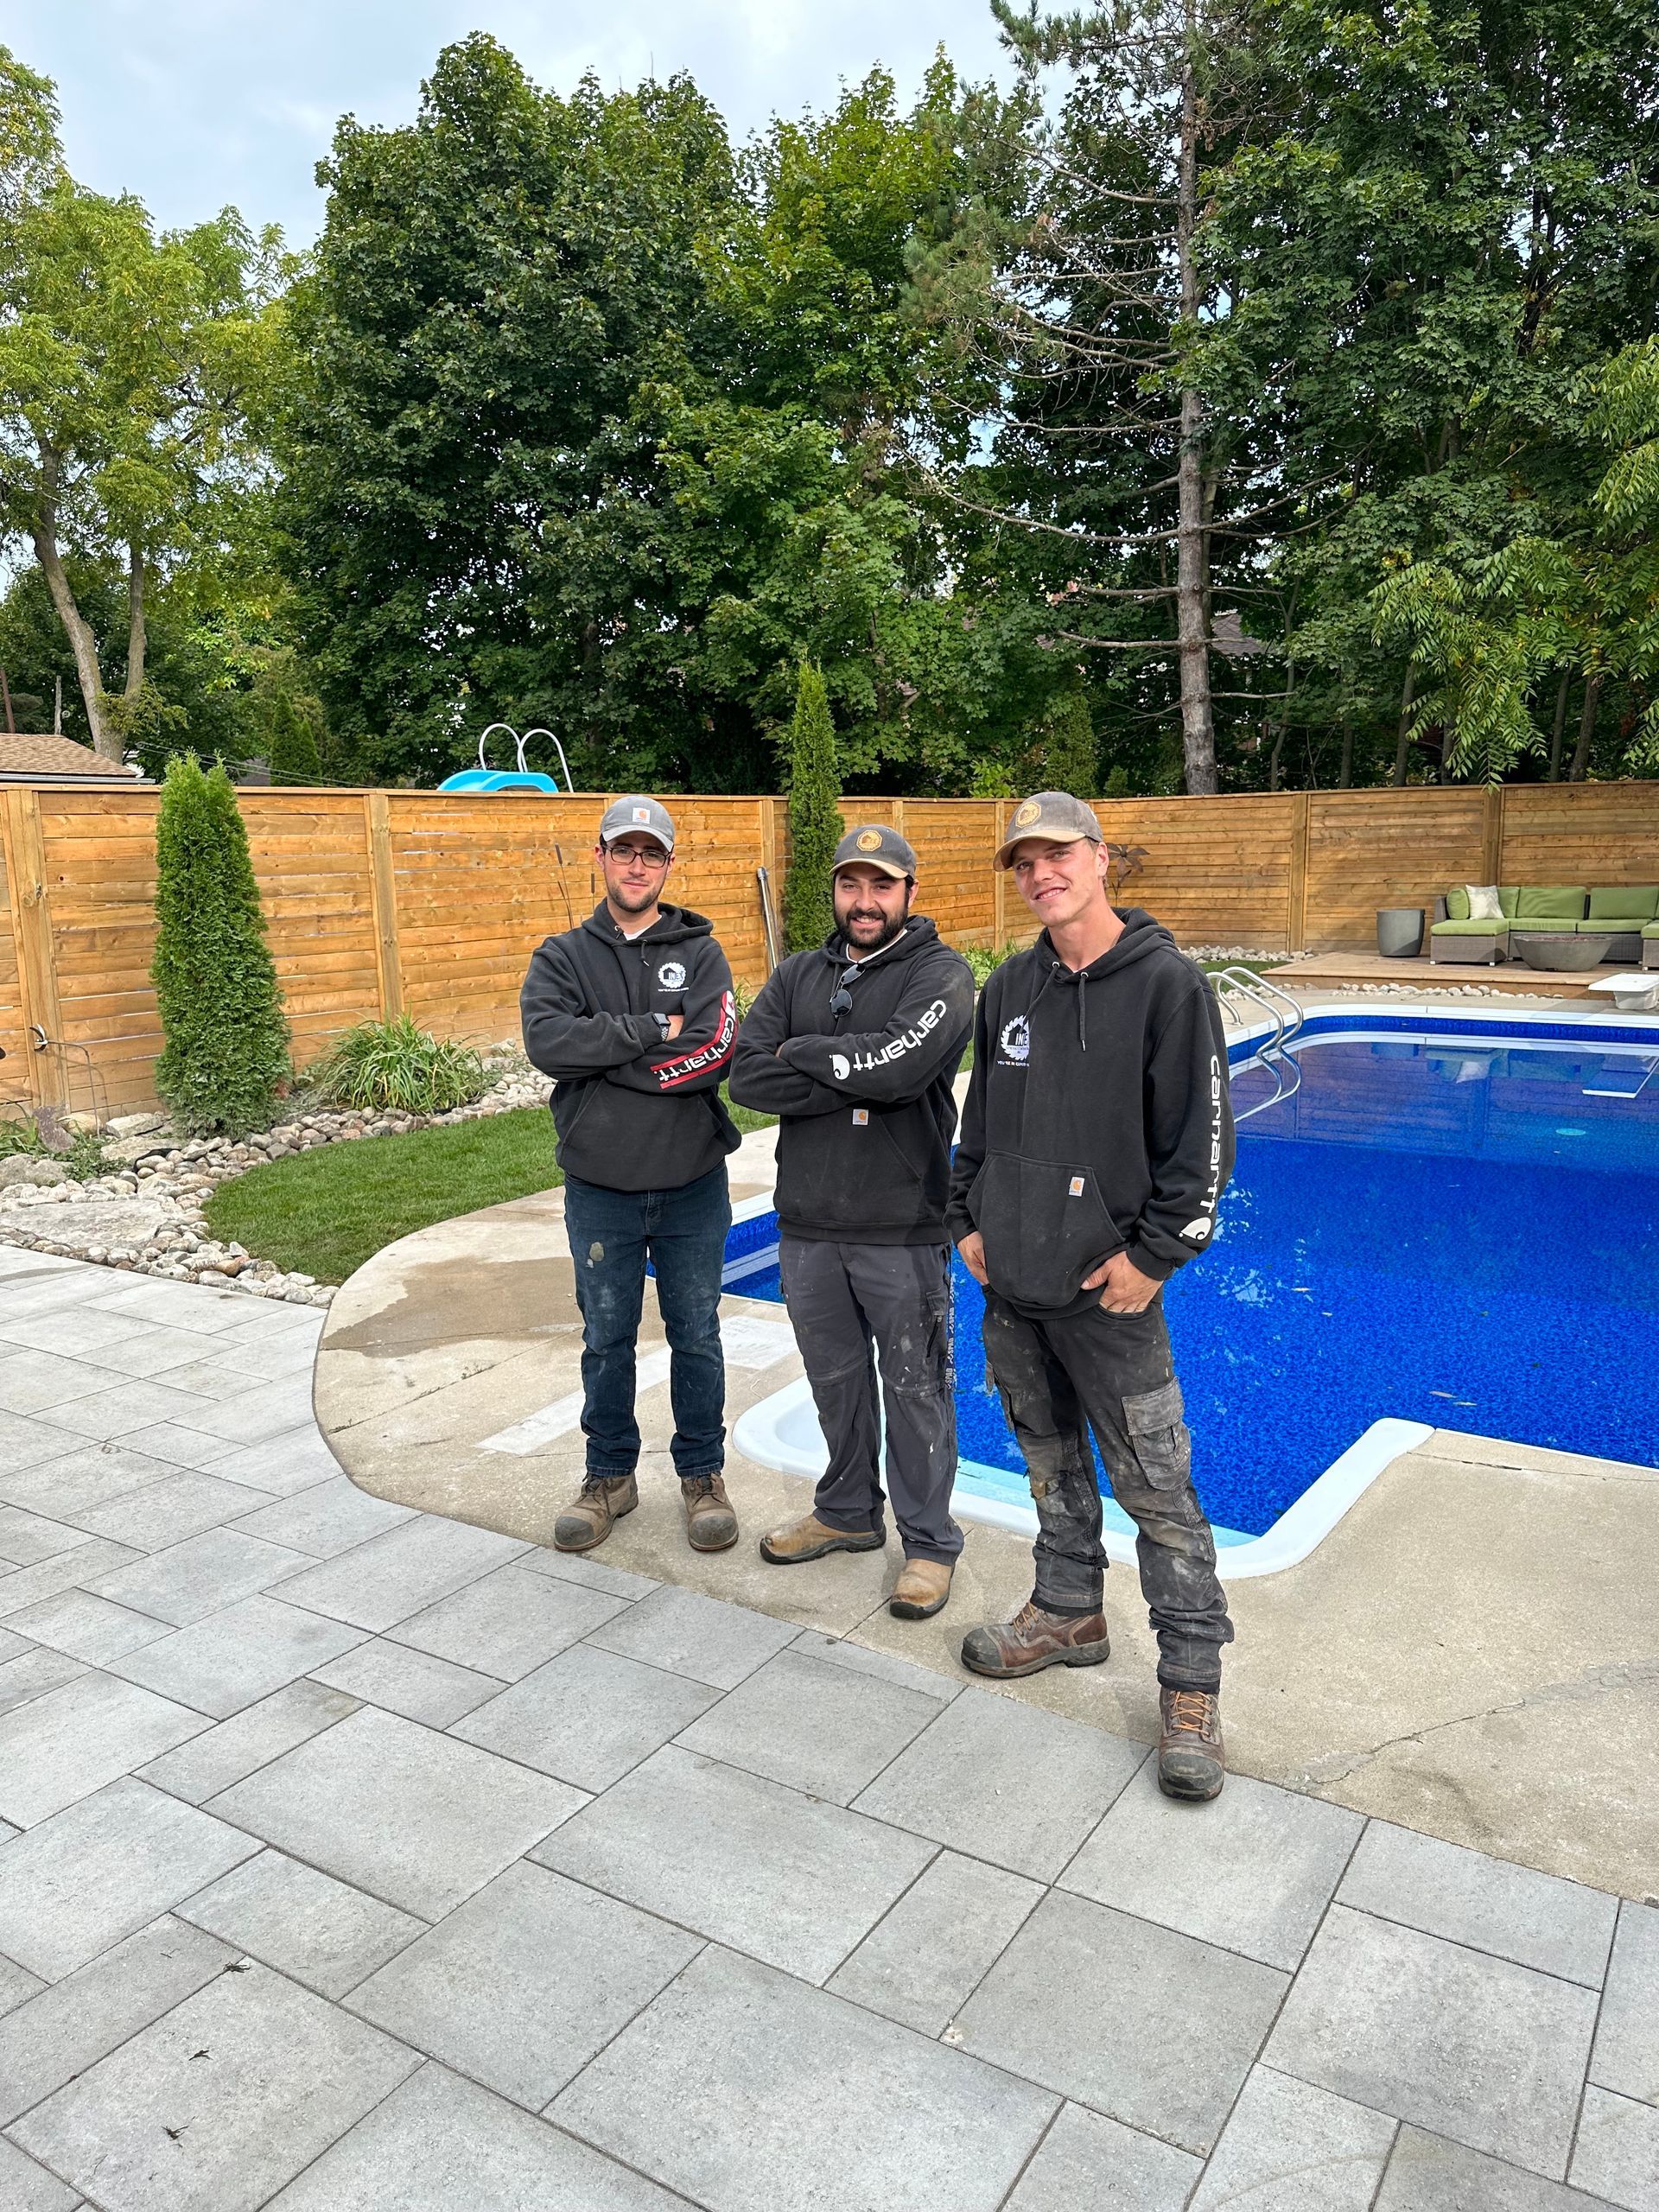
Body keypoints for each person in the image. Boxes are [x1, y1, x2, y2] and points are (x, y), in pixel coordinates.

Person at [946, 791, 1236, 1799]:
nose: (1040, 874)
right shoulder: (1010, 987)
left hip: (1112, 1300)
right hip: (1015, 1287)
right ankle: (1067, 1610)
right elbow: (979, 1119)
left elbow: (1201, 1149)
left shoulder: (1166, 985)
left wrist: (1155, 1258)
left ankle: (1191, 1685)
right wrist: (968, 1217)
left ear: (1101, 858)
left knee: (1158, 1493)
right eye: (1023, 862)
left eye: (1056, 854)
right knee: (1050, 1466)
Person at [729, 823, 976, 1619]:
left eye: (881, 886)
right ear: (835, 891)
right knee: (835, 1384)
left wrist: (804, 1053)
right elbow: (746, 1075)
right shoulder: (801, 971)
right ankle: (845, 1512)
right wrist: (847, 1069)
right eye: (851, 885)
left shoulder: (941, 974)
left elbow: (905, 1069)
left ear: (910, 890)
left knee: (915, 1389)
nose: (864, 902)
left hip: (900, 1225)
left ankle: (930, 1544)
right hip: (805, 1223)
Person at [520, 796, 741, 1557]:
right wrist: (651, 1032)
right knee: (606, 1338)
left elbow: (717, 1051)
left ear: (669, 864)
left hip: (690, 1182)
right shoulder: (562, 956)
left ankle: (702, 1476)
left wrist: (611, 1060)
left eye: (652, 853)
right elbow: (550, 1043)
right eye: (624, 850)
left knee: (698, 1335)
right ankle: (608, 1474)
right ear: (601, 857)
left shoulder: (703, 953)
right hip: (600, 1184)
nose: (637, 864)